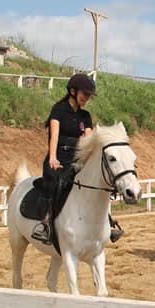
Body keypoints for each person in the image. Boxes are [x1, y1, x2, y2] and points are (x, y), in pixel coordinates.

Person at [30, 73, 95, 244]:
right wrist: (52, 157)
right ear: (73, 91)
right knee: (53, 181)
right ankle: (46, 224)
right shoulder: (58, 109)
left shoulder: (85, 116)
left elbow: (88, 141)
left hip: (77, 159)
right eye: (84, 94)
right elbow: (54, 136)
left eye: (88, 95)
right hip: (58, 156)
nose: (86, 98)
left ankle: (106, 222)